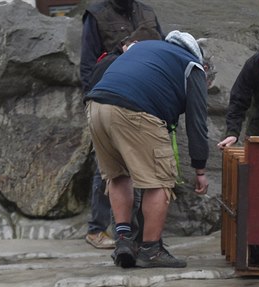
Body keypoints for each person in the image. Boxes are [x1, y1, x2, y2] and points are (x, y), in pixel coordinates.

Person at [85, 31, 209, 268]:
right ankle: (151, 249)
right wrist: (200, 169)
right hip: (134, 110)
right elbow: (197, 123)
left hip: (96, 108)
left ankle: (123, 239)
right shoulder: (191, 66)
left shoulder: (145, 49)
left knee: (118, 175)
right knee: (159, 181)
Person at [80, 0, 164, 249]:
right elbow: (87, 64)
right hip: (109, 95)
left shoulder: (147, 12)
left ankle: (137, 233)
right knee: (107, 167)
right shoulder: (96, 15)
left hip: (144, 98)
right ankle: (97, 228)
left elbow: (161, 49)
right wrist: (91, 98)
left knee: (145, 167)